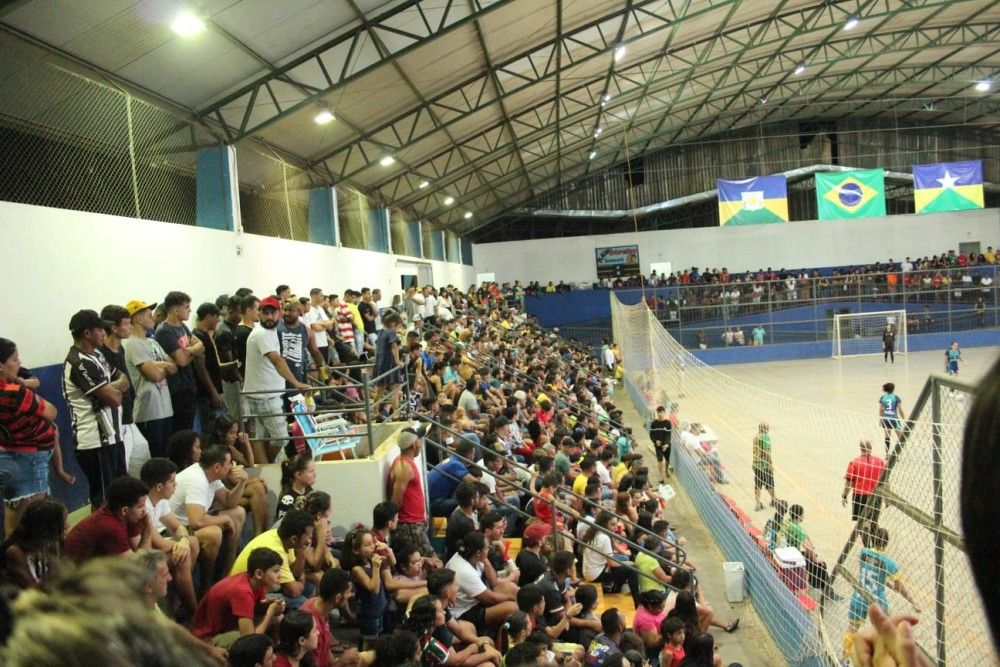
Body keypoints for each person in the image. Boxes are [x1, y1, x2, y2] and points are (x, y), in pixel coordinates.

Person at [0, 338, 73, 535]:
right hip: (26, 461)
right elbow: (51, 411)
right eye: (14, 359)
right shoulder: (11, 391)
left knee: (19, 518)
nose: (19, 363)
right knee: (29, 526)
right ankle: (23, 563)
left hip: (17, 457)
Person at [63, 309, 131, 508]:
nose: (105, 332)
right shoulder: (79, 363)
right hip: (94, 441)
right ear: (87, 333)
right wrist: (111, 388)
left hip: (113, 437)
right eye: (100, 329)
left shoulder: (98, 355)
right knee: (103, 499)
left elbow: (124, 380)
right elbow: (114, 399)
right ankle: (100, 538)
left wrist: (110, 386)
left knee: (121, 493)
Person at [129, 548, 229, 664]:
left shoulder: (148, 602)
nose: (170, 578)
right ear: (149, 586)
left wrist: (208, 650)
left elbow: (171, 627)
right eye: (165, 575)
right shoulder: (139, 627)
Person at [244, 295, 311, 463]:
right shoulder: (261, 334)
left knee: (261, 436)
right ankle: (271, 464)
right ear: (259, 313)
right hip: (264, 395)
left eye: (273, 313)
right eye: (265, 313)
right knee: (281, 437)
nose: (269, 317)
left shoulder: (270, 331)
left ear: (279, 313)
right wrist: (296, 383)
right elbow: (277, 360)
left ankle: (266, 467)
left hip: (264, 393)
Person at [169, 444, 248, 582]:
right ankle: (208, 582)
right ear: (217, 467)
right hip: (175, 528)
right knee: (214, 533)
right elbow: (197, 521)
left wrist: (242, 482)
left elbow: (229, 502)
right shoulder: (197, 479)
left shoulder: (211, 475)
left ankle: (228, 571)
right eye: (228, 463)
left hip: (189, 524)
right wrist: (224, 519)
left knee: (238, 512)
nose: (231, 467)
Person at [845, 523, 920, 658]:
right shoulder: (888, 562)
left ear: (873, 539)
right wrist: (913, 602)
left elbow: (870, 572)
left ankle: (843, 659)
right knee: (885, 631)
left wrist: (888, 585)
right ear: (887, 543)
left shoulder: (863, 553)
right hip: (876, 601)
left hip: (859, 596)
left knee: (852, 629)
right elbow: (900, 587)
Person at [139, 456, 200, 616]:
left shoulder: (160, 501)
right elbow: (158, 543)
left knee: (191, 542)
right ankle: (193, 613)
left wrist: (185, 540)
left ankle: (178, 600)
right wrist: (182, 544)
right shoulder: (142, 505)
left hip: (151, 551)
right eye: (172, 482)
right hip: (137, 558)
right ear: (159, 486)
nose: (176, 485)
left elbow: (178, 526)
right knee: (182, 556)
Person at [192, 547, 286, 648]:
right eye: (275, 571)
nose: (280, 576)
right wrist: (270, 612)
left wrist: (268, 605)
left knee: (278, 618)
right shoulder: (242, 591)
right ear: (259, 574)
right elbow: (250, 641)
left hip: (230, 626)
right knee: (247, 642)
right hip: (207, 639)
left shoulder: (257, 583)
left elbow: (256, 608)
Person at [123, 299, 177, 459]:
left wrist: (159, 365)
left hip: (165, 408)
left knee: (165, 456)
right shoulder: (132, 344)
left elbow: (174, 367)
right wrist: (163, 366)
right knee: (154, 459)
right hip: (148, 412)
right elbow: (154, 375)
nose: (153, 318)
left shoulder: (153, 342)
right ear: (139, 319)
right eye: (149, 315)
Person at [232, 509, 315, 610]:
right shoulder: (276, 549)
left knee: (310, 589)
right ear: (294, 539)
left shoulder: (285, 539)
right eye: (307, 538)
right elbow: (293, 591)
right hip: (244, 594)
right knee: (303, 604)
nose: (309, 541)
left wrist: (302, 553)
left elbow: (295, 573)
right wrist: (301, 582)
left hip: (267, 586)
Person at [99, 304, 147, 476]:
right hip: (115, 420)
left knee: (142, 454)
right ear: (114, 327)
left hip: (128, 417)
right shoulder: (101, 354)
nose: (130, 327)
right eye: (126, 324)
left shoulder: (120, 348)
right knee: (122, 467)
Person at [387, 425, 443, 568]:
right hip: (410, 526)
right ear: (414, 444)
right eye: (420, 440)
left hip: (414, 523)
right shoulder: (404, 466)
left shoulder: (405, 462)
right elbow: (396, 500)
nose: (421, 443)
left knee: (427, 564)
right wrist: (399, 523)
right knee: (434, 564)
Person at [445, 532, 519, 635]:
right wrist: (511, 598)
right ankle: (501, 637)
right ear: (478, 552)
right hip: (463, 612)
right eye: (487, 548)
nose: (489, 550)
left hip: (475, 601)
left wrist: (486, 561)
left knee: (512, 588)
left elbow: (493, 582)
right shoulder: (464, 569)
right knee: (512, 607)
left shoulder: (474, 556)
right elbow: (491, 599)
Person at [64, 475, 150, 562]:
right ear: (124, 510)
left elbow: (142, 554)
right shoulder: (111, 527)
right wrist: (147, 530)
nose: (145, 510)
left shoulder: (127, 516)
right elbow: (139, 565)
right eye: (141, 506)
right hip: (77, 570)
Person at [155, 291, 205, 432]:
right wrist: (193, 352)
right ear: (175, 310)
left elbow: (201, 345)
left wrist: (188, 351)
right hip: (177, 389)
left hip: (189, 386)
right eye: (187, 307)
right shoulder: (165, 331)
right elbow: (182, 361)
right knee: (181, 431)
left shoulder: (182, 326)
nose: (190, 310)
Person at [405, 594, 503, 666]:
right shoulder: (431, 644)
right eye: (439, 611)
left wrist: (480, 643)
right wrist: (478, 649)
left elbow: (413, 598)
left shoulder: (410, 616)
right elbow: (456, 661)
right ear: (430, 618)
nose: (443, 612)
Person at [0, 496, 66, 588]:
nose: (67, 526)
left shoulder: (49, 544)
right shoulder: (14, 552)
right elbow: (31, 588)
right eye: (63, 523)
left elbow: (60, 575)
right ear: (48, 528)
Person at [782, 504, 840, 601]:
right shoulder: (798, 529)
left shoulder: (786, 523)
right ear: (800, 516)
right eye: (803, 514)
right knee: (821, 565)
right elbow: (808, 547)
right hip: (793, 558)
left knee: (811, 559)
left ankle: (813, 581)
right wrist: (815, 559)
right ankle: (828, 592)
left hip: (785, 553)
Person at [842, 440, 886, 523]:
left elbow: (849, 482)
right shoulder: (880, 462)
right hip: (876, 495)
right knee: (873, 521)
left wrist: (844, 495)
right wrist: (887, 499)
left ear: (860, 448)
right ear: (871, 448)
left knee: (861, 522)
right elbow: (885, 481)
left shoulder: (854, 463)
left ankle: (864, 532)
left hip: (860, 496)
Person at [276, 454, 316, 521]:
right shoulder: (287, 500)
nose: (315, 474)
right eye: (311, 471)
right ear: (298, 475)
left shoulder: (308, 489)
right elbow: (284, 527)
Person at [752, 422, 775, 511]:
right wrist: (770, 464)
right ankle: (773, 500)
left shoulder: (756, 437)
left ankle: (758, 504)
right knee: (770, 484)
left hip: (756, 464)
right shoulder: (765, 437)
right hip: (764, 465)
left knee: (757, 484)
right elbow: (766, 452)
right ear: (765, 429)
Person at [877, 383, 905, 456]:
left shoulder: (882, 398)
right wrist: (904, 418)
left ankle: (887, 454)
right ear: (893, 389)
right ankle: (899, 452)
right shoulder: (896, 397)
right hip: (894, 419)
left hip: (885, 419)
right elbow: (900, 410)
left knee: (887, 436)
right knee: (901, 436)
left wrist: (880, 419)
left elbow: (880, 410)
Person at [649, 406, 672, 481]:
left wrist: (666, 444)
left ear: (664, 413)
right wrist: (655, 441)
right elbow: (651, 434)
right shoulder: (654, 423)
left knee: (667, 460)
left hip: (666, 446)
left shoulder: (668, 423)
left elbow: (668, 435)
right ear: (657, 413)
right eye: (658, 412)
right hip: (658, 446)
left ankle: (666, 471)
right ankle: (661, 477)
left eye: (661, 412)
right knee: (660, 461)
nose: (660, 414)